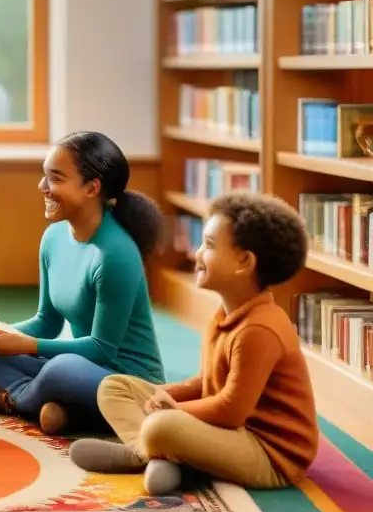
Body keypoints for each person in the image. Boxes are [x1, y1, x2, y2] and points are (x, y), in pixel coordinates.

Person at [70, 193, 319, 496]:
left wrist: (173, 411)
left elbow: (231, 410)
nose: (198, 252)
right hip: (227, 431)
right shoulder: (224, 314)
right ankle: (159, 457)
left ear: (245, 262)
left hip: (267, 452)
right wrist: (162, 394)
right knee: (114, 388)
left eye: (210, 245)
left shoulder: (260, 329)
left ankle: (149, 451)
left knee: (162, 426)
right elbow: (205, 383)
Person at [0, 130, 166, 434]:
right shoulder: (53, 238)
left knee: (61, 369)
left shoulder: (116, 254)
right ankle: (56, 407)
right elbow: (47, 322)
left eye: (55, 179)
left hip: (128, 381)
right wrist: (0, 334)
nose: (42, 187)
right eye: (44, 176)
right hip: (82, 368)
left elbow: (101, 350)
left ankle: (14, 400)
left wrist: (27, 345)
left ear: (91, 188)